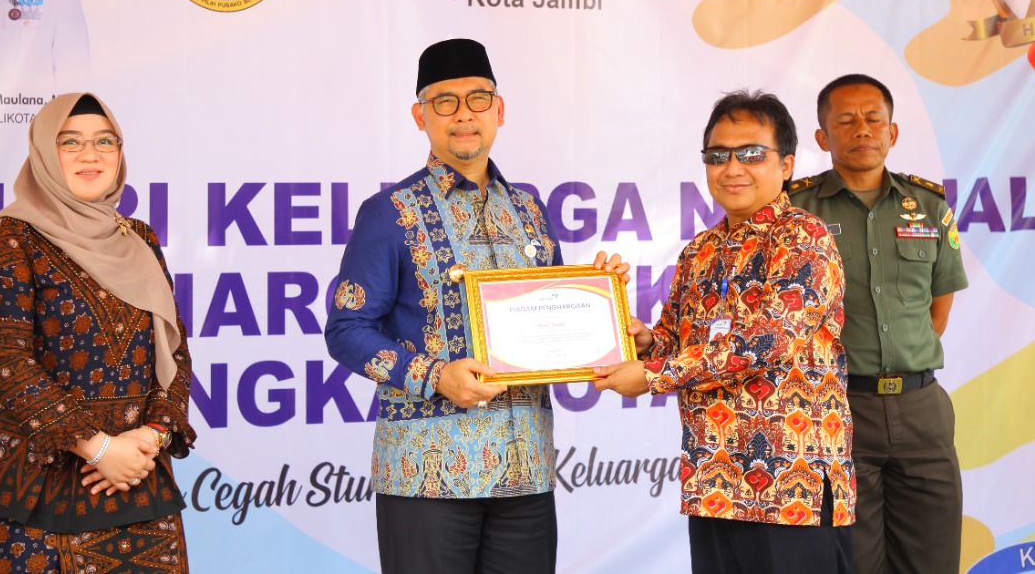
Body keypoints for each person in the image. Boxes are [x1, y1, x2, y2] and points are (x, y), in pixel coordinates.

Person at [324, 38, 629, 574]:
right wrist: (434, 376)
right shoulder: (389, 212)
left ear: (499, 110)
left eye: (478, 98)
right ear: (420, 116)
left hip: (526, 471)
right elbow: (346, 329)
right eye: (445, 101)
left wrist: (605, 310)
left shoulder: (530, 209)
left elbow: (553, 318)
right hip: (426, 476)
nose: (464, 114)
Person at [595, 89, 854, 574]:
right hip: (714, 482)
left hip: (789, 490)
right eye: (717, 156)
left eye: (751, 153)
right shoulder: (700, 250)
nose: (732, 168)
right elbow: (676, 340)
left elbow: (766, 342)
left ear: (787, 164)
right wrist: (644, 342)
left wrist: (652, 375)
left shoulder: (804, 237)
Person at [0, 92, 193, 573]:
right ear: (45, 154)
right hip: (37, 492)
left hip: (137, 479)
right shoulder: (11, 237)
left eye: (104, 141)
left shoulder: (140, 238)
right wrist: (99, 448)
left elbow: (174, 350)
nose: (90, 154)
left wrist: (151, 438)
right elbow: (6, 361)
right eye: (70, 142)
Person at [789, 74, 967, 574]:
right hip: (837, 410)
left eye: (874, 119)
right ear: (823, 136)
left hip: (922, 409)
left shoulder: (928, 205)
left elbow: (938, 311)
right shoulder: (794, 210)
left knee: (932, 560)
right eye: (846, 120)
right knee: (854, 561)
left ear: (893, 132)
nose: (862, 129)